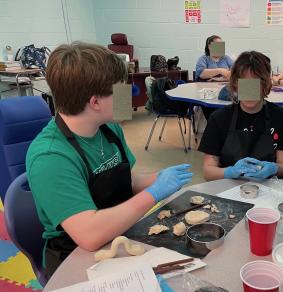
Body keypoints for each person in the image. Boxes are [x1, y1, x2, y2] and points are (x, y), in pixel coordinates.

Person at [26, 42, 192, 279]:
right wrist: (153, 193)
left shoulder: (109, 128)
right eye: (121, 90)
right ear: (95, 102)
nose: (130, 94)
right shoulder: (51, 157)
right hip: (76, 256)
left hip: (120, 234)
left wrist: (161, 178)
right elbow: (89, 235)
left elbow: (125, 180)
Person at [198, 51, 283, 181]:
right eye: (244, 84)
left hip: (268, 189)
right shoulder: (219, 119)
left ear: (265, 85)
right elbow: (208, 171)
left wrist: (274, 168)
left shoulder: (281, 117)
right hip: (228, 190)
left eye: (255, 84)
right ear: (235, 84)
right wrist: (230, 172)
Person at [195, 35, 234, 122]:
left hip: (224, 92)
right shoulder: (204, 59)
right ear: (209, 46)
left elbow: (236, 72)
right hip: (207, 93)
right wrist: (220, 71)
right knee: (212, 111)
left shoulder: (226, 58)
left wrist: (220, 79)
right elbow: (201, 73)